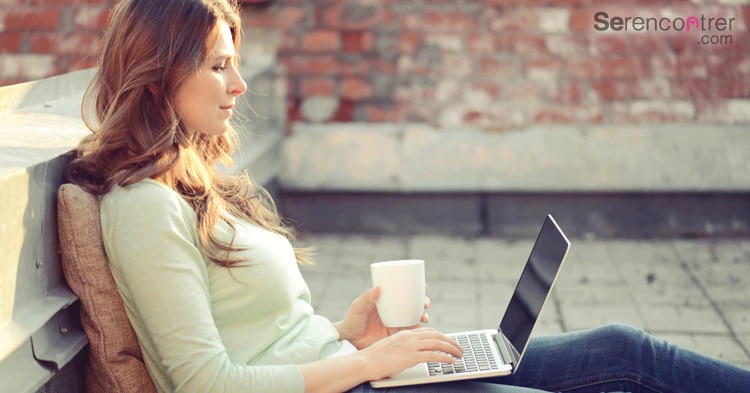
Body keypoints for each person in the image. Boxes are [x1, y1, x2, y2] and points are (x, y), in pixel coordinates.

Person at [65, 0, 750, 392]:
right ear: (158, 77)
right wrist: (368, 362)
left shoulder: (185, 183)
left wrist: (345, 329)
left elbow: (257, 338)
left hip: (354, 370)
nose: (240, 85)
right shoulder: (143, 205)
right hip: (354, 385)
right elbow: (203, 383)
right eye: (219, 65)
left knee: (620, 348)